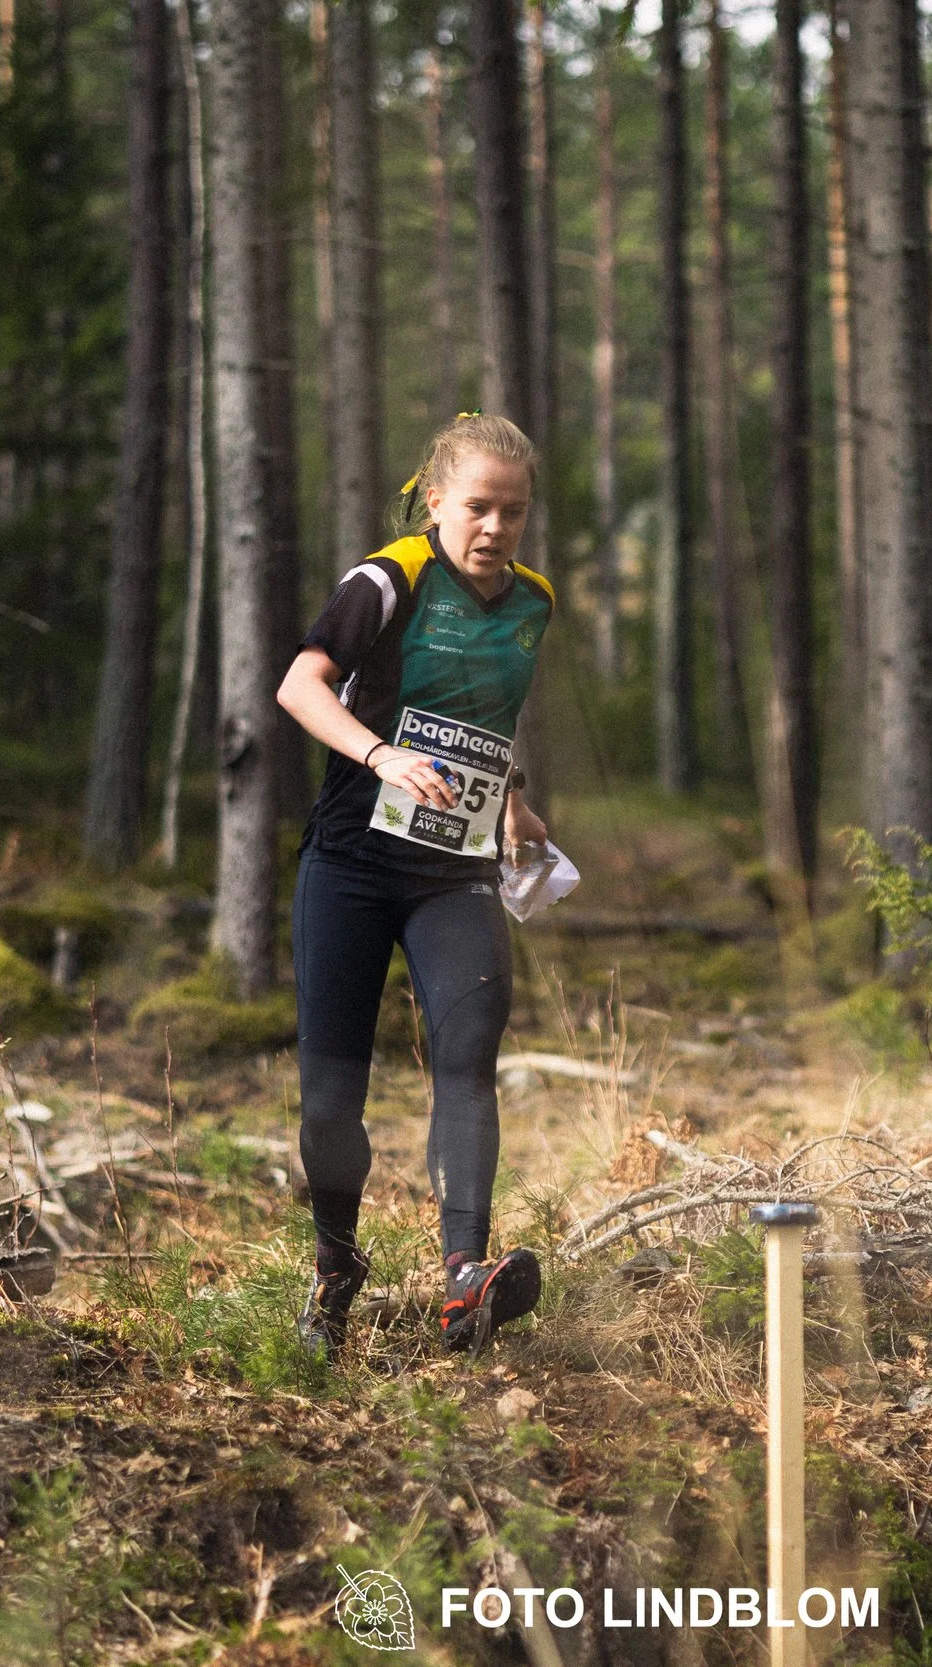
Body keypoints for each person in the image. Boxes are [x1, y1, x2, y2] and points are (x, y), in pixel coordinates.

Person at [273, 414, 557, 1356]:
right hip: (351, 864)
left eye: (512, 513)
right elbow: (301, 686)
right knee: (330, 1095)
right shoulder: (387, 579)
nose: (494, 528)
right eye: (477, 507)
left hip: (455, 872)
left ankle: (463, 1277)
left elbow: (481, 715)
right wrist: (380, 754)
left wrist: (512, 800)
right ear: (436, 502)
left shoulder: (533, 602)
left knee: (470, 1050)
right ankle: (334, 1263)